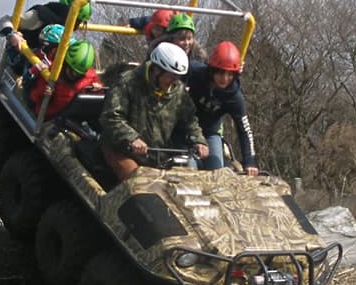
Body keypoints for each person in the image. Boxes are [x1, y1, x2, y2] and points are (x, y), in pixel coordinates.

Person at [100, 42, 209, 181]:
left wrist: (199, 141)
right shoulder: (127, 82)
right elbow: (110, 117)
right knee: (138, 182)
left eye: (178, 78)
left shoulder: (178, 91)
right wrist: (132, 138)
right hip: (122, 150)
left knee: (187, 182)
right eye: (171, 77)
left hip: (157, 154)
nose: (174, 82)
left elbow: (190, 121)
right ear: (156, 70)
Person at [187, 41, 259, 176]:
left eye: (230, 74)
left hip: (210, 133)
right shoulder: (194, 72)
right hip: (184, 130)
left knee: (217, 171)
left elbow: (244, 130)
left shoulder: (234, 97)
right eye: (220, 73)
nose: (225, 79)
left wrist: (250, 161)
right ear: (212, 69)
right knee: (188, 167)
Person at [28, 39, 102, 120]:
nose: (74, 75)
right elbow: (34, 98)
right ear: (66, 63)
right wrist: (45, 92)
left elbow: (97, 99)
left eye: (78, 74)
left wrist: (97, 90)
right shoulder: (51, 72)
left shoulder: (90, 77)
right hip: (48, 118)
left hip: (72, 119)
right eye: (72, 71)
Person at [0, 0, 93, 50]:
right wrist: (12, 34)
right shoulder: (39, 16)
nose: (75, 25)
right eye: (75, 20)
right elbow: (4, 20)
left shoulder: (65, 30)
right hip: (18, 63)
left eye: (79, 22)